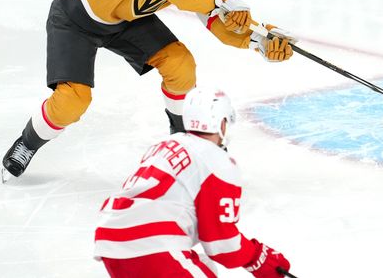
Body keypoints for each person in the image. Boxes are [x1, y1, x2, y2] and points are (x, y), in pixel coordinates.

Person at [2, 0, 295, 180]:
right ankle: (27, 143)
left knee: (180, 64)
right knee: (72, 101)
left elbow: (217, 20)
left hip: (126, 20)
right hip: (76, 13)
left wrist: (258, 37)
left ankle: (181, 138)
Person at [94, 87, 291, 278]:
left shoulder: (165, 145)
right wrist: (259, 258)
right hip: (153, 245)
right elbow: (221, 243)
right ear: (221, 123)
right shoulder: (217, 162)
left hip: (111, 242)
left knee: (204, 266)